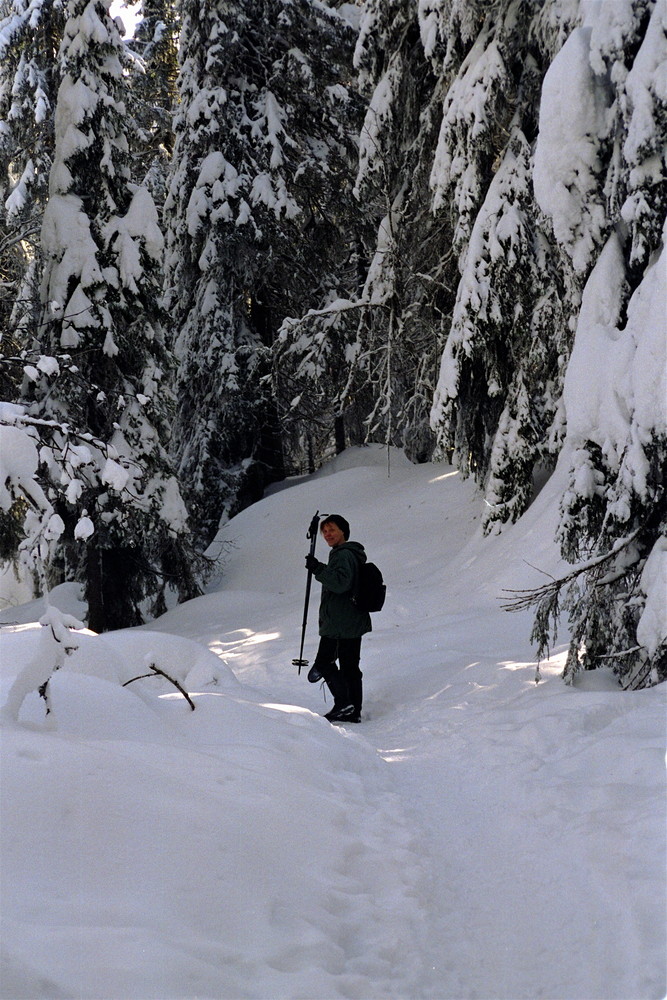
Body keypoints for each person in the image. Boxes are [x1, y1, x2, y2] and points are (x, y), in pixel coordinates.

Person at [305, 514, 371, 723]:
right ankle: (353, 710)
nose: (327, 534)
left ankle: (344, 704)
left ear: (343, 531)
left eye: (332, 529)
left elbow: (340, 583)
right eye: (324, 531)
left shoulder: (343, 555)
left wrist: (318, 569)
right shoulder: (349, 554)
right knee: (350, 666)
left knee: (324, 662)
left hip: (340, 622)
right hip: (351, 619)